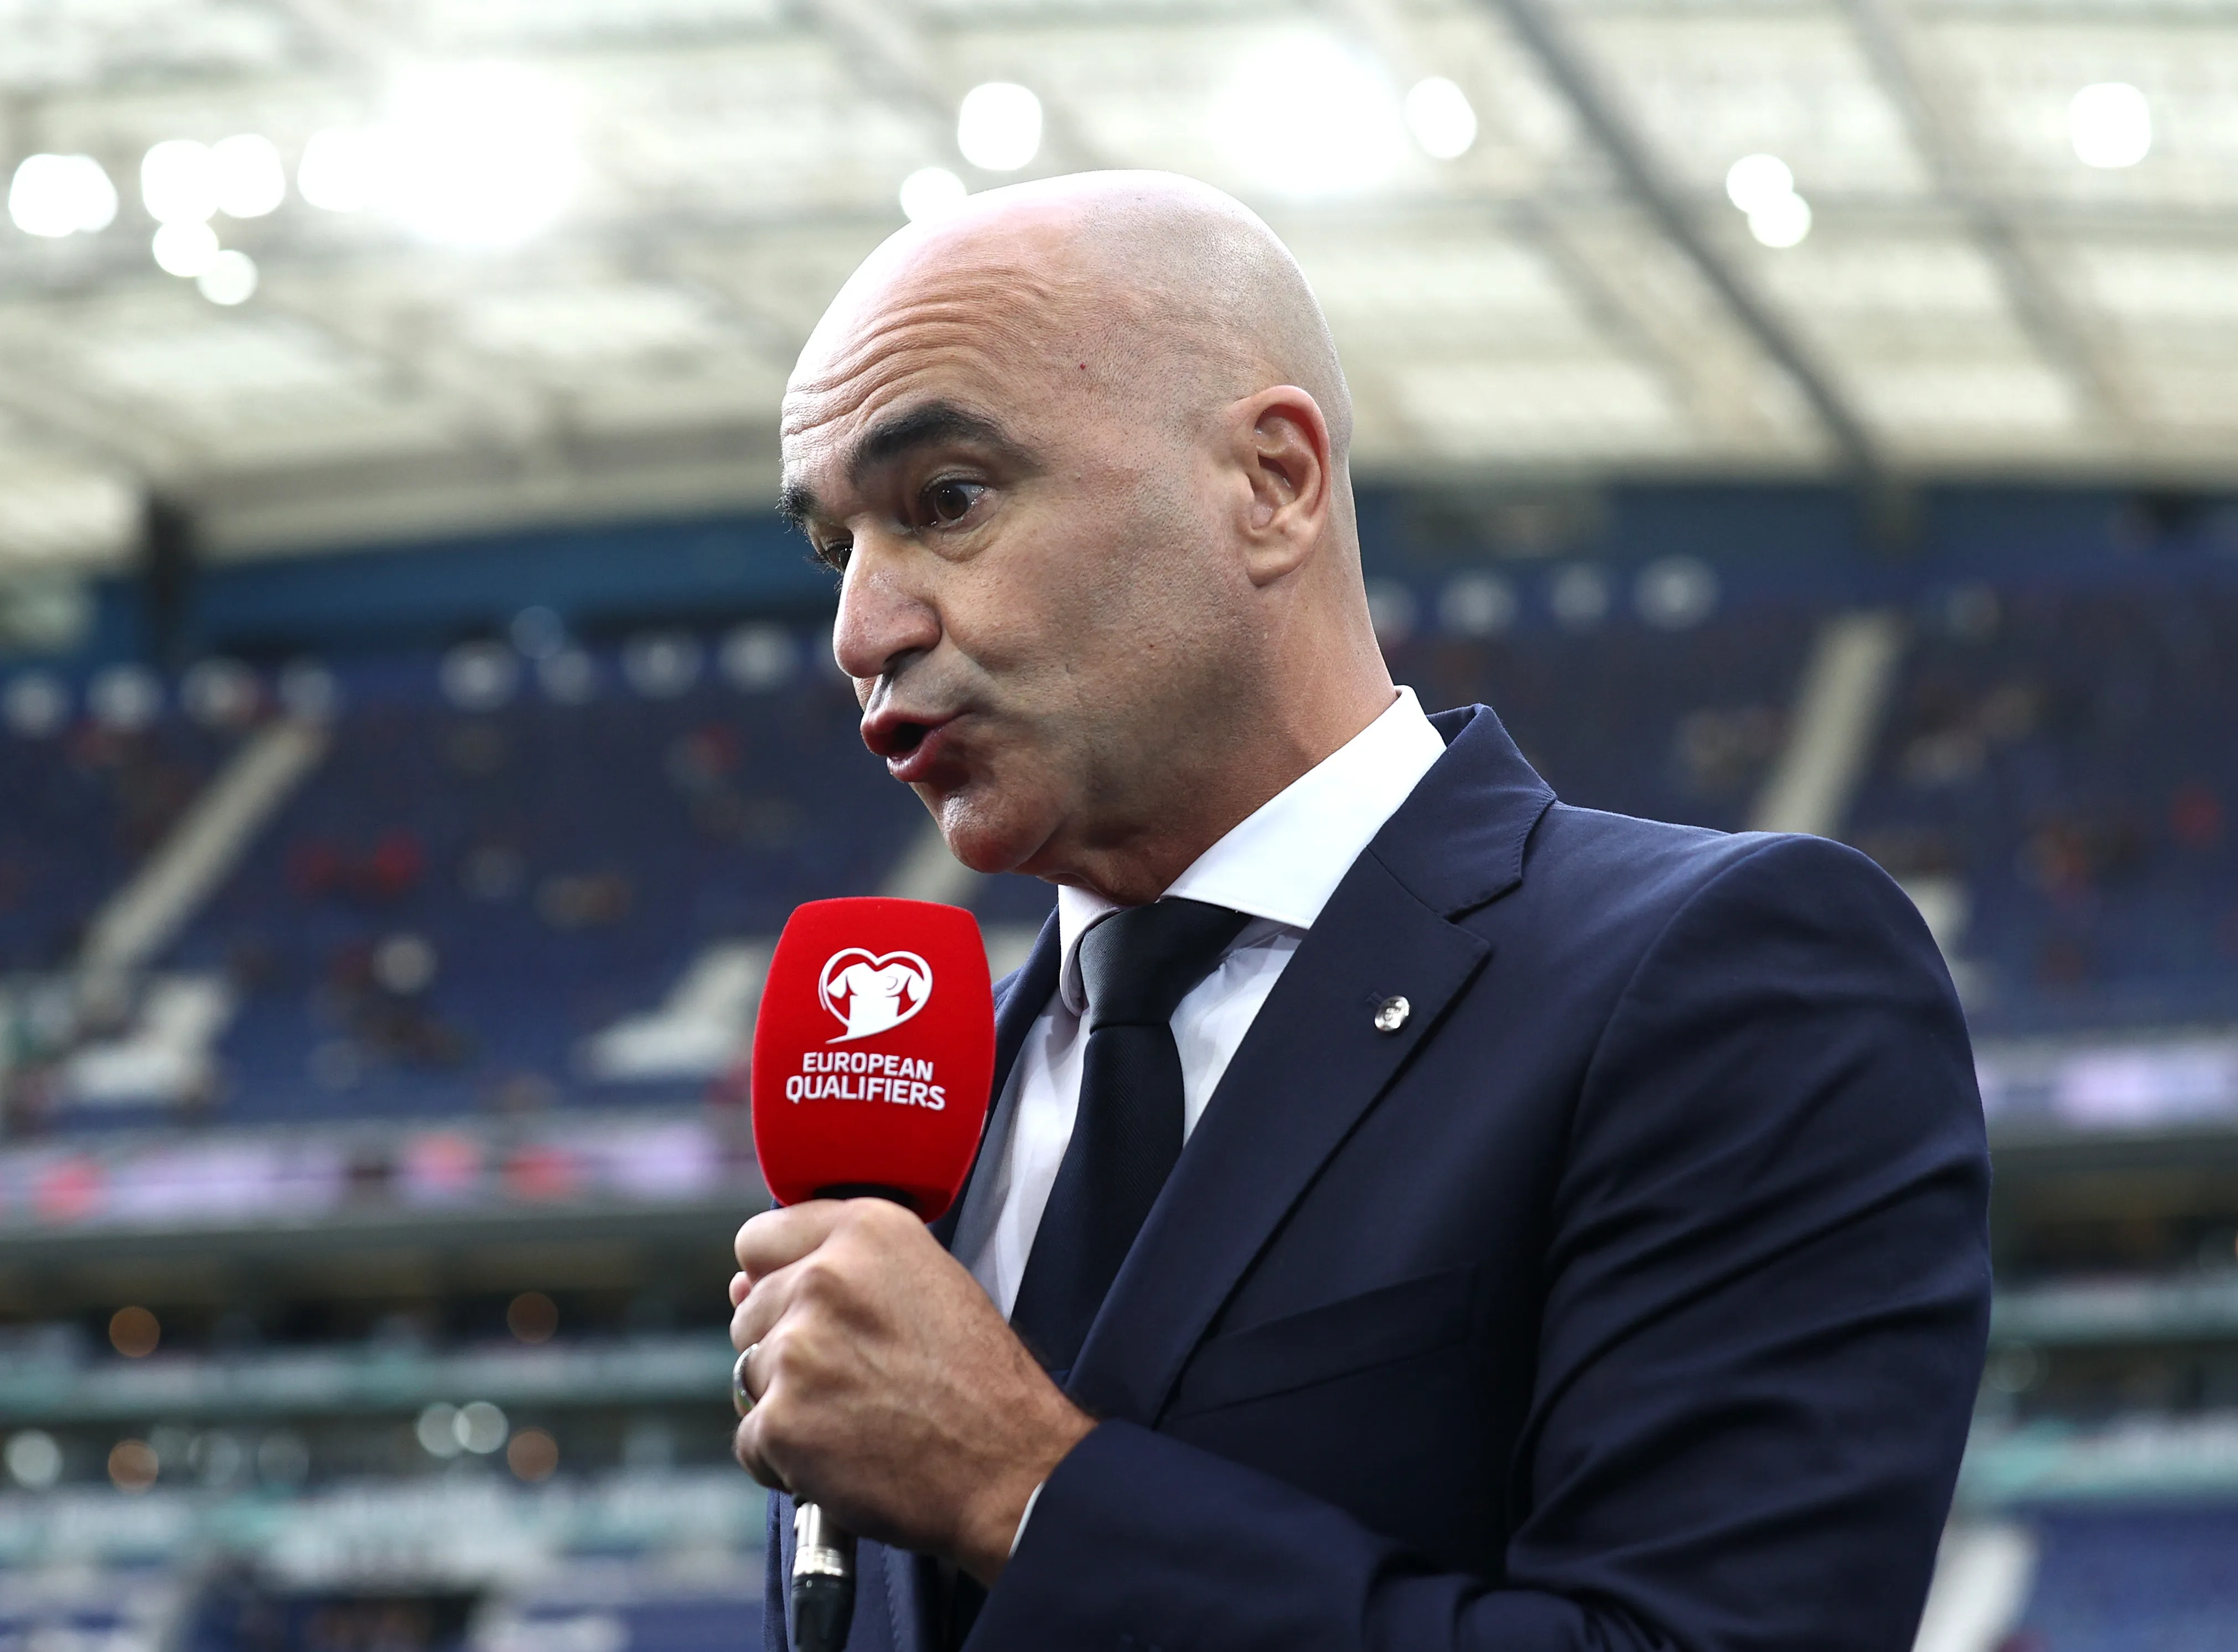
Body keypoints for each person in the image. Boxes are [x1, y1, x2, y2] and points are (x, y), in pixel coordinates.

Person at [728, 170, 1990, 1652]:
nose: (862, 633)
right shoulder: (910, 1133)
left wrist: (1024, 1493)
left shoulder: (1729, 977)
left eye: (948, 502)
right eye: (835, 550)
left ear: (1271, 482)